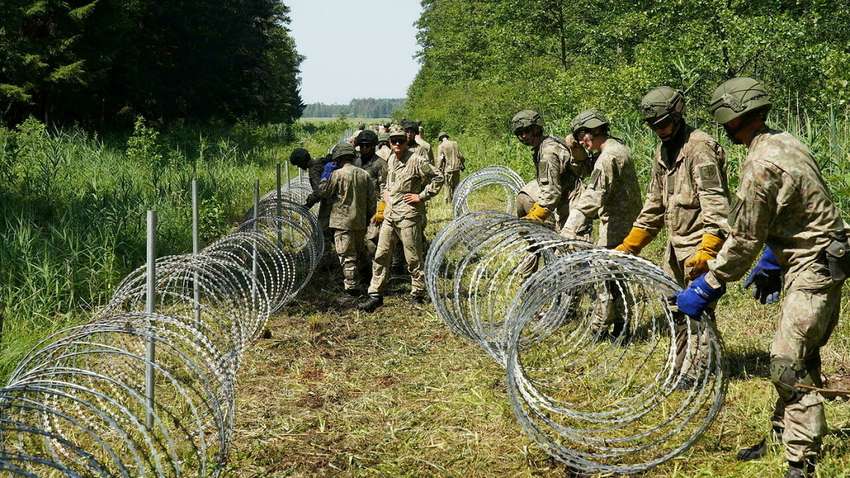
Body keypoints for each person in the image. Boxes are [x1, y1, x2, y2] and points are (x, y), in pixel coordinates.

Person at [676, 77, 849, 478]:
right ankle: (780, 434)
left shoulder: (760, 164)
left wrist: (709, 284)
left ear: (732, 120)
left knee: (787, 360)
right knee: (801, 353)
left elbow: (744, 237)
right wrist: (774, 260)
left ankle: (800, 460)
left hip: (815, 264)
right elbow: (800, 207)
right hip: (818, 255)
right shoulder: (785, 141)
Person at [614, 86, 730, 384]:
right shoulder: (663, 150)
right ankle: (682, 362)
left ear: (678, 115)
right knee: (675, 309)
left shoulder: (699, 148)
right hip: (674, 249)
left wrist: (709, 248)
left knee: (697, 311)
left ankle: (702, 370)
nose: (660, 131)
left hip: (699, 246)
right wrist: (629, 246)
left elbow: (716, 206)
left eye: (664, 124)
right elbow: (654, 203)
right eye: (654, 127)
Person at [562, 109, 642, 338]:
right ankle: (621, 325)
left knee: (603, 276)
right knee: (615, 276)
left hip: (617, 224)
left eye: (582, 136)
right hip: (624, 220)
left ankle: (601, 323)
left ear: (594, 131)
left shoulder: (607, 157)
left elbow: (593, 195)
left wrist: (569, 227)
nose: (580, 142)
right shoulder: (617, 149)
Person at [359, 125, 444, 312]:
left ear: (407, 142)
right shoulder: (390, 159)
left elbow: (438, 177)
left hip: (408, 215)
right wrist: (386, 195)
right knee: (381, 254)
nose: (397, 144)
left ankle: (417, 293)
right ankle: (375, 294)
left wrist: (421, 196)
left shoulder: (417, 160)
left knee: (413, 257)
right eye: (394, 141)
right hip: (390, 214)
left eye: (401, 141)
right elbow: (387, 183)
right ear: (389, 143)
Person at [510, 109, 589, 230]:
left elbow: (551, 192)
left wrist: (535, 216)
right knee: (524, 197)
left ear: (536, 128)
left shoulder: (547, 153)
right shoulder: (547, 143)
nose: (523, 136)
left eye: (526, 131)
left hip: (573, 201)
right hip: (566, 197)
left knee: (573, 245)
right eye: (519, 133)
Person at [318, 143, 376, 296]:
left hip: (342, 222)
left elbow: (324, 193)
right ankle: (367, 279)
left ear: (338, 158)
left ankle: (351, 288)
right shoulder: (365, 174)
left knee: (347, 256)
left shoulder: (337, 174)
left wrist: (325, 178)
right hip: (360, 221)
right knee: (360, 252)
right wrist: (368, 218)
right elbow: (372, 201)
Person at [355, 130, 389, 261]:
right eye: (361, 145)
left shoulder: (380, 164)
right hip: (357, 208)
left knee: (371, 242)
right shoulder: (355, 162)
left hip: (373, 209)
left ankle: (377, 270)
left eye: (367, 145)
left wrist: (381, 210)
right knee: (357, 244)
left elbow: (385, 188)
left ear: (374, 146)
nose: (364, 148)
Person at [436, 131, 465, 203]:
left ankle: (448, 202)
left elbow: (440, 160)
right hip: (457, 168)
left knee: (448, 186)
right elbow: (461, 156)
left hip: (448, 169)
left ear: (440, 139)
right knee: (456, 186)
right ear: (447, 136)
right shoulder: (455, 143)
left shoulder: (441, 146)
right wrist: (462, 164)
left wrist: (438, 170)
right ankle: (457, 201)